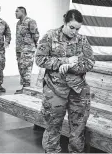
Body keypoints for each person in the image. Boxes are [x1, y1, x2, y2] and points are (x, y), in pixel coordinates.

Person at [35, 9, 95, 153]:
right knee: (53, 125)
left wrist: (73, 65)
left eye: (78, 29)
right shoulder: (50, 36)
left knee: (78, 126)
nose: (74, 32)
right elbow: (39, 59)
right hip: (55, 88)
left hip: (78, 89)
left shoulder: (82, 40)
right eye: (72, 27)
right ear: (65, 23)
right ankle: (52, 151)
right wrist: (63, 61)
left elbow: (90, 62)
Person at [15, 6, 39, 94]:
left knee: (26, 69)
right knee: (21, 69)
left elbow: (36, 35)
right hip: (20, 50)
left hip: (28, 50)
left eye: (17, 11)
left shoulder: (30, 21)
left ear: (22, 12)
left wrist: (32, 46)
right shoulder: (18, 23)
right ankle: (24, 88)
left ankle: (27, 89)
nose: (15, 13)